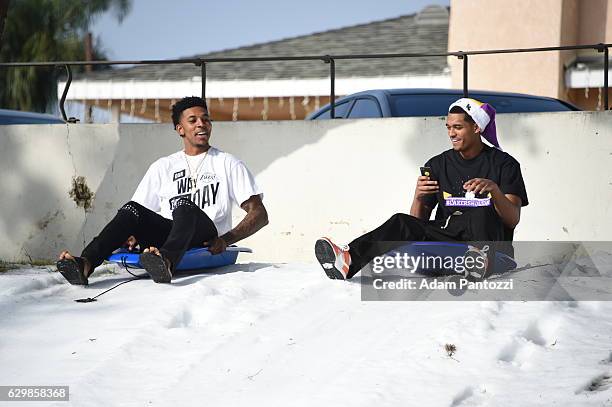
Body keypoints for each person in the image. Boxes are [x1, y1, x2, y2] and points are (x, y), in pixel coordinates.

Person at [57, 96, 268, 284]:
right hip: (170, 234)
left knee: (183, 205)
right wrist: (131, 235)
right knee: (132, 209)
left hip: (206, 237)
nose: (201, 124)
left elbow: (260, 214)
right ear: (180, 129)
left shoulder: (227, 163)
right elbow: (139, 212)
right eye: (193, 120)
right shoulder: (163, 166)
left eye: (205, 119)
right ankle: (86, 263)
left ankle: (165, 262)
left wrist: (226, 240)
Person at [315, 98, 528, 280]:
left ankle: (481, 262)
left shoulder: (504, 164)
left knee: (481, 211)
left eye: (458, 127)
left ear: (476, 128)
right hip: (449, 242)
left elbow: (512, 219)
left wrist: (494, 190)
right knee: (400, 221)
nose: (451, 133)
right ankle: (349, 259)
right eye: (448, 127)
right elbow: (418, 224)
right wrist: (418, 198)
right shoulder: (437, 165)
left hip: (491, 247)